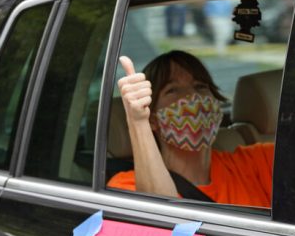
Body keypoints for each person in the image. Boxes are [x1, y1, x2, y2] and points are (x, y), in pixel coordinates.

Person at [108, 50, 273, 207]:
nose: (192, 97)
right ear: (152, 119)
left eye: (200, 86)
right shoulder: (128, 186)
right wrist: (137, 122)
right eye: (172, 90)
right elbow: (161, 223)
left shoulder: (257, 163)